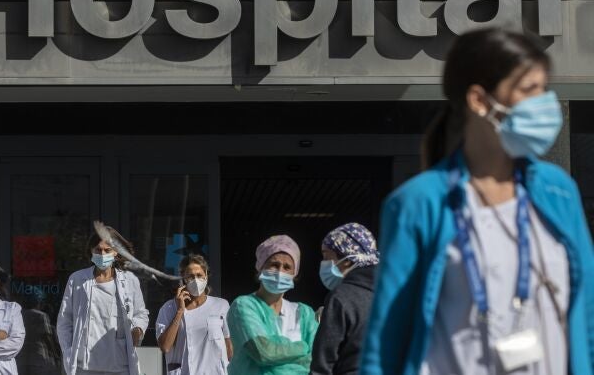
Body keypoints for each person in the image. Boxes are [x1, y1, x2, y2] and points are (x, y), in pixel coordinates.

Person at [360, 28, 594, 375]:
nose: (543, 103)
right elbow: (385, 344)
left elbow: (585, 316)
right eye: (529, 90)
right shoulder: (418, 203)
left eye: (544, 90)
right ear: (480, 101)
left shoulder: (558, 191)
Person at [57, 225, 150, 375]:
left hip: (120, 363)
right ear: (91, 251)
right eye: (98, 250)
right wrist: (68, 352)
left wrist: (138, 329)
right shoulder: (77, 280)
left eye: (107, 250)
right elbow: (65, 321)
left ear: (116, 252)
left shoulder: (129, 280)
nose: (102, 254)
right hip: (84, 365)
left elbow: (141, 313)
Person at [226, 235, 318, 375]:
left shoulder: (304, 313)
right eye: (274, 265)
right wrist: (303, 347)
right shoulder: (243, 306)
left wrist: (279, 352)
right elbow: (263, 353)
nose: (280, 271)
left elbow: (317, 358)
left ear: (295, 274)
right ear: (260, 268)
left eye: (287, 267)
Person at [311, 223, 379, 375]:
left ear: (347, 259)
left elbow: (323, 364)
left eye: (326, 256)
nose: (323, 264)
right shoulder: (391, 294)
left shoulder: (342, 297)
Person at [156, 254, 232, 374]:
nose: (196, 280)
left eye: (199, 275)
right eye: (190, 277)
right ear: (183, 278)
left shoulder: (221, 305)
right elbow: (165, 346)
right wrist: (180, 311)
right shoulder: (168, 309)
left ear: (206, 276)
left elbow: (229, 347)